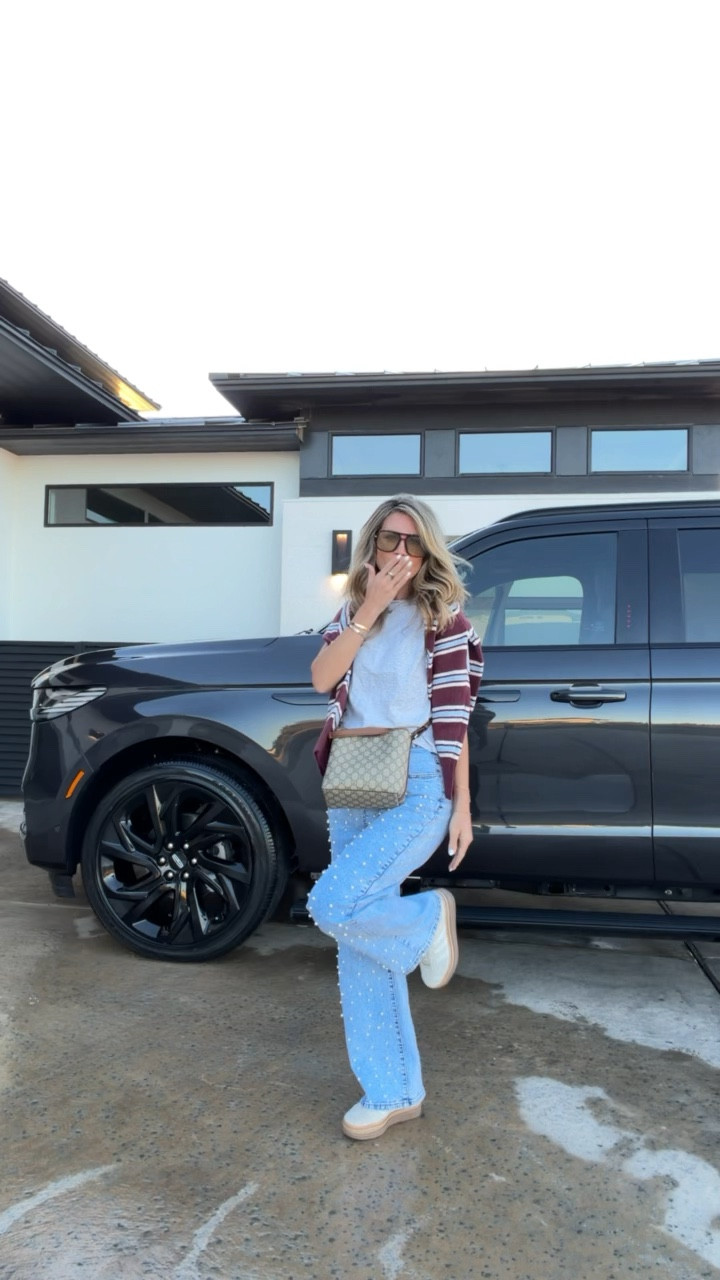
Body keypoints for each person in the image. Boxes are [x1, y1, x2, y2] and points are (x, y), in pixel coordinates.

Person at [308, 494, 483, 1140]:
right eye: (389, 540)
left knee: (334, 904)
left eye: (412, 543)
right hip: (352, 777)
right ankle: (392, 1090)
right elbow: (322, 679)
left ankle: (428, 915)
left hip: (415, 780)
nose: (400, 554)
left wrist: (462, 803)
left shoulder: (447, 621)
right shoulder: (357, 612)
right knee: (357, 940)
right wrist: (371, 609)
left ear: (427, 549)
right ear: (372, 547)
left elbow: (455, 721)